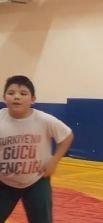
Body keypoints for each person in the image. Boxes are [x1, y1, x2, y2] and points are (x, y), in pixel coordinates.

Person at [0, 75, 74, 223]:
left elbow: (67, 136)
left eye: (23, 93)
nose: (16, 97)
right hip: (4, 181)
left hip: (37, 180)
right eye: (11, 93)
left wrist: (54, 160)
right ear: (4, 98)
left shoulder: (44, 120)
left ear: (32, 99)